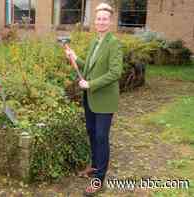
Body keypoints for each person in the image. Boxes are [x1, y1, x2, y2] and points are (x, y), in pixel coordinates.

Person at [65, 2, 123, 196]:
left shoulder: (113, 43)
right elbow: (88, 67)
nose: (100, 21)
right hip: (90, 98)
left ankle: (99, 180)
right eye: (98, 18)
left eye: (104, 18)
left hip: (104, 99)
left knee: (101, 137)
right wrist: (75, 57)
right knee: (91, 132)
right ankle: (95, 165)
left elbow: (115, 73)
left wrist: (91, 84)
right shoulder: (94, 42)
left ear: (110, 21)